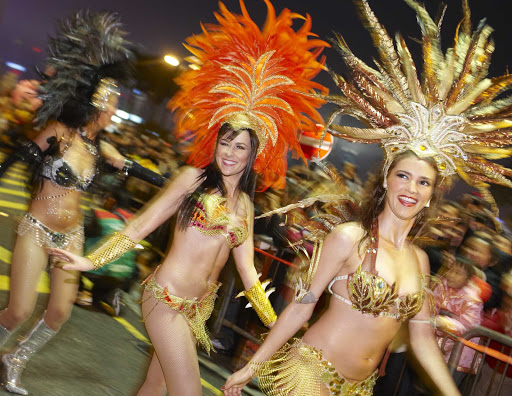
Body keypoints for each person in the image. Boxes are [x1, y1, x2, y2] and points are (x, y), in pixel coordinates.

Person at [223, 0, 512, 394]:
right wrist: (252, 365)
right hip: (309, 374)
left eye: (423, 183)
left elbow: (423, 340)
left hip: (358, 390)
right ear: (387, 181)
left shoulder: (421, 261)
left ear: (431, 196)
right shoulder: (349, 237)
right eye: (404, 177)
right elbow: (302, 306)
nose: (411, 189)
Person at [50, 2, 328, 395]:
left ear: (254, 156)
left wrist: (275, 321)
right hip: (165, 298)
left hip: (198, 309)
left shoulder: (246, 206)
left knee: (154, 385)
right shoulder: (191, 178)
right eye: (225, 142)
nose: (230, 152)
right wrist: (89, 261)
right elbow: (140, 225)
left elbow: (248, 271)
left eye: (240, 147)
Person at [0, 11, 164, 395]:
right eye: (111, 103)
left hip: (70, 236)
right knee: (20, 310)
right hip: (37, 229)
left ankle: (14, 360)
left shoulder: (100, 146)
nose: (113, 110)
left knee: (59, 312)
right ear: (96, 103)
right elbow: (18, 157)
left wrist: (181, 181)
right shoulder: (59, 132)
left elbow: (144, 174)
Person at [433, 256, 483, 386]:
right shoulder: (441, 284)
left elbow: (469, 327)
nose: (451, 275)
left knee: (444, 387)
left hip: (459, 354)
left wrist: (443, 322)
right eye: (451, 270)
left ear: (468, 279)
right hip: (437, 346)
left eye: (458, 273)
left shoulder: (473, 300)